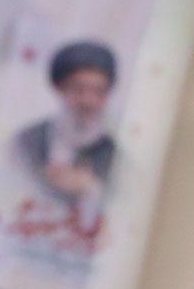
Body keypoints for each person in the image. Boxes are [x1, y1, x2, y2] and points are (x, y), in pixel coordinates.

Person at [14, 41, 117, 220]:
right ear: (60, 88)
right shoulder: (28, 141)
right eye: (79, 89)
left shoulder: (112, 153)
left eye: (98, 91)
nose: (88, 101)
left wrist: (91, 189)